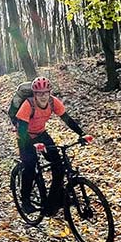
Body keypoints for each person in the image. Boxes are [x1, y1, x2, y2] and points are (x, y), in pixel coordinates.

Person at [15, 76, 91, 215]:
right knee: (30, 166)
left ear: (49, 92)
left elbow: (67, 119)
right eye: (39, 93)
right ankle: (25, 200)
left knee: (59, 165)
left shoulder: (53, 102)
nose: (42, 96)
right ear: (34, 94)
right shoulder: (28, 104)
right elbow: (22, 130)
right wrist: (32, 144)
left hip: (41, 133)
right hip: (25, 137)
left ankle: (53, 201)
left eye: (45, 92)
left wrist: (81, 134)